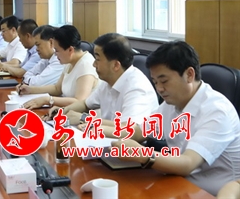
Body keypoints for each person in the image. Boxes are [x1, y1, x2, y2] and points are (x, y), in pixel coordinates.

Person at [112, 41, 240, 196]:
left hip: (210, 193)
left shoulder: (217, 111)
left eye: (164, 81)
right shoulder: (172, 103)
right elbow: (140, 131)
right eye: (155, 82)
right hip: (178, 184)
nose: (159, 89)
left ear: (189, 75)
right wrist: (102, 135)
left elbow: (187, 163)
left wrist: (143, 154)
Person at [56, 33, 158, 138]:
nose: (94, 64)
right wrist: (62, 112)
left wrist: (84, 118)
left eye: (97, 59)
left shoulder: (137, 88)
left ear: (115, 65)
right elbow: (86, 104)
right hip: (107, 140)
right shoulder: (108, 80)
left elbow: (128, 129)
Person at [21, 25, 97, 109]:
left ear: (70, 50)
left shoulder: (86, 65)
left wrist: (48, 100)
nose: (55, 54)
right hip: (67, 110)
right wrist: (30, 89)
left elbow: (79, 101)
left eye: (57, 50)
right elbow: (57, 88)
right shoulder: (70, 61)